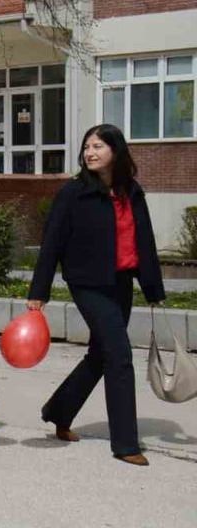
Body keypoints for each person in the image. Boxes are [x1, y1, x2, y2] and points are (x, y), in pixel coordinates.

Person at [28, 124, 164, 467]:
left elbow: (144, 241)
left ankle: (59, 411)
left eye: (98, 146)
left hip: (121, 282)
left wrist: (152, 288)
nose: (90, 152)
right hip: (88, 284)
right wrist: (38, 291)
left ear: (116, 151)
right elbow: (52, 244)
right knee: (119, 355)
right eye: (87, 146)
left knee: (100, 355)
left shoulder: (131, 191)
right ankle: (125, 443)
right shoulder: (73, 193)